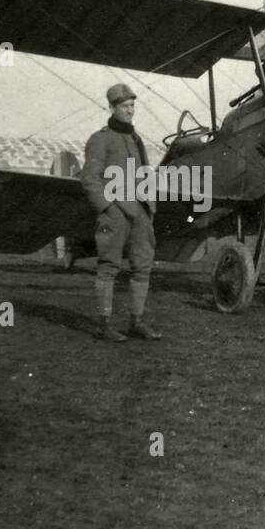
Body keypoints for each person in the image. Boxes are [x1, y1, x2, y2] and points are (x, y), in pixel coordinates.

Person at [80, 84, 162, 342]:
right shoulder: (100, 139)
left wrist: (150, 207)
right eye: (125, 106)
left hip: (140, 212)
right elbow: (89, 179)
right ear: (113, 108)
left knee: (143, 267)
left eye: (132, 105)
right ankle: (103, 324)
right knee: (109, 267)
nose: (131, 110)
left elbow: (144, 173)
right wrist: (108, 207)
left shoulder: (136, 139)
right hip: (115, 213)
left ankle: (136, 322)